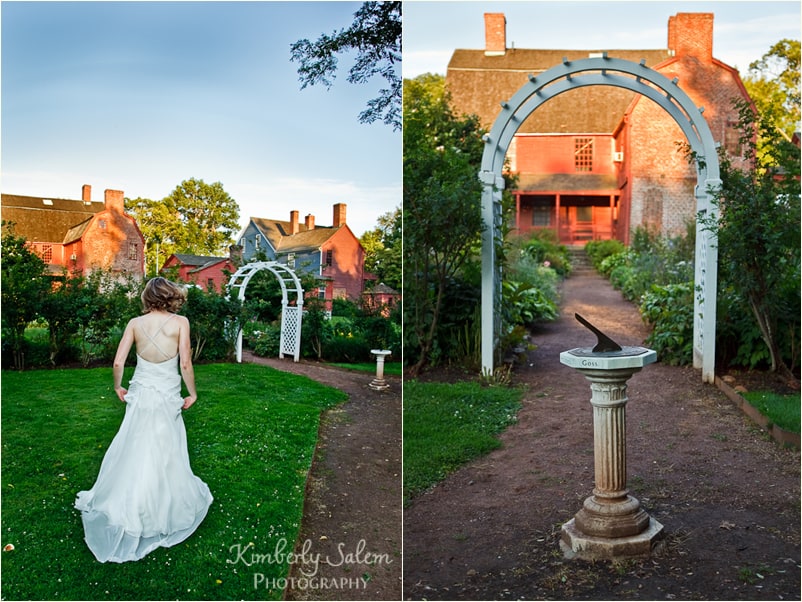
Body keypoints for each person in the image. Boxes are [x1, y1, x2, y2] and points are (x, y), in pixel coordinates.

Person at [75, 277, 213, 563]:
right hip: (166, 393)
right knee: (165, 447)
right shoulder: (181, 323)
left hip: (141, 391)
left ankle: (129, 502)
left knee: (136, 443)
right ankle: (161, 508)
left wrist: (118, 386)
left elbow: (118, 362)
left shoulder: (135, 324)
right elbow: (185, 362)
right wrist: (193, 393)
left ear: (147, 298)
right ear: (169, 296)